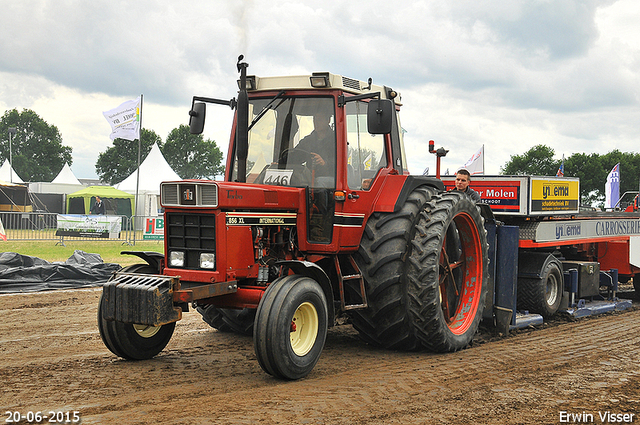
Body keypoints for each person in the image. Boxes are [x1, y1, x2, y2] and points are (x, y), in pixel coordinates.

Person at [295, 108, 336, 187]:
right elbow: (296, 154)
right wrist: (281, 163)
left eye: (319, 119)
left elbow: (341, 163)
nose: (316, 122)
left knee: (319, 182)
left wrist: (324, 163)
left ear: (328, 121)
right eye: (314, 119)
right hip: (310, 178)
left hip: (332, 179)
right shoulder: (308, 140)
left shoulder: (337, 140)